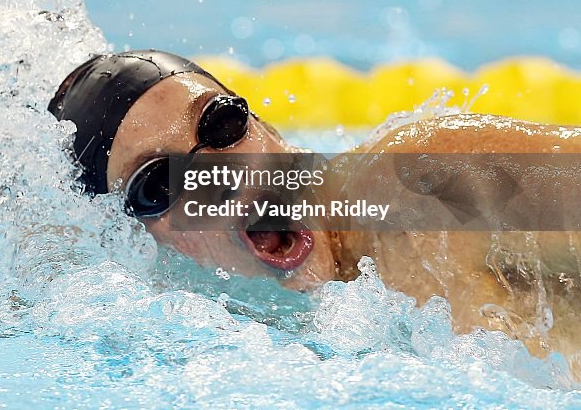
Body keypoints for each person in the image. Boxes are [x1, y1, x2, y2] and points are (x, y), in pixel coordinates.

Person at [49, 49, 581, 373]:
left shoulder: (421, 181)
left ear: (270, 131)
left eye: (221, 125)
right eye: (159, 183)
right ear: (142, 241)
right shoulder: (236, 330)